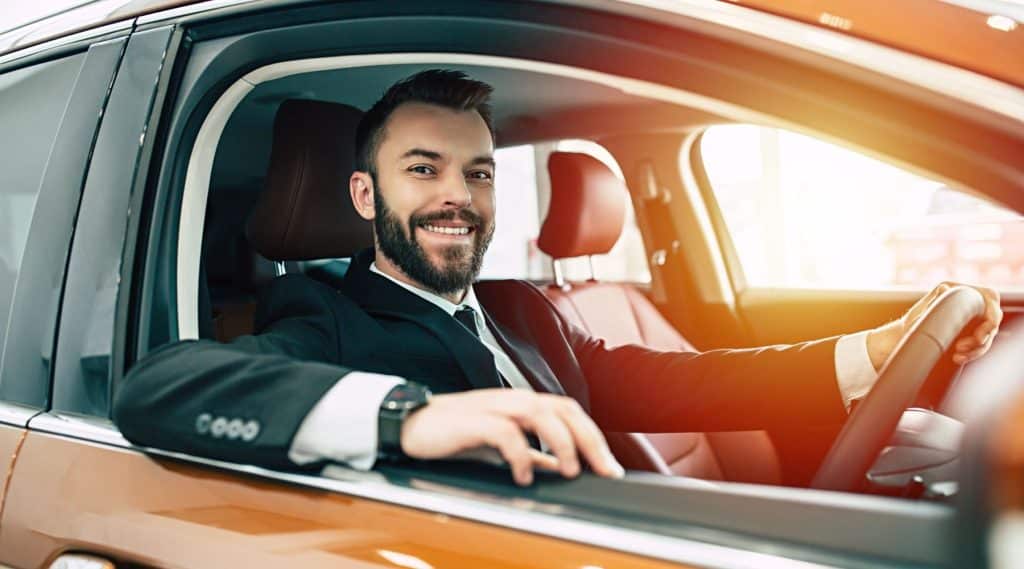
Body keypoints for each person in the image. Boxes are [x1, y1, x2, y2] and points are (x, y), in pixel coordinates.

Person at [113, 70, 1003, 487]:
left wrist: (873, 350)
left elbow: (683, 381)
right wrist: (411, 414)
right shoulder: (326, 315)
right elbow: (158, 386)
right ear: (363, 193)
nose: (457, 197)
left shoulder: (524, 309)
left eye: (479, 172)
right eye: (422, 170)